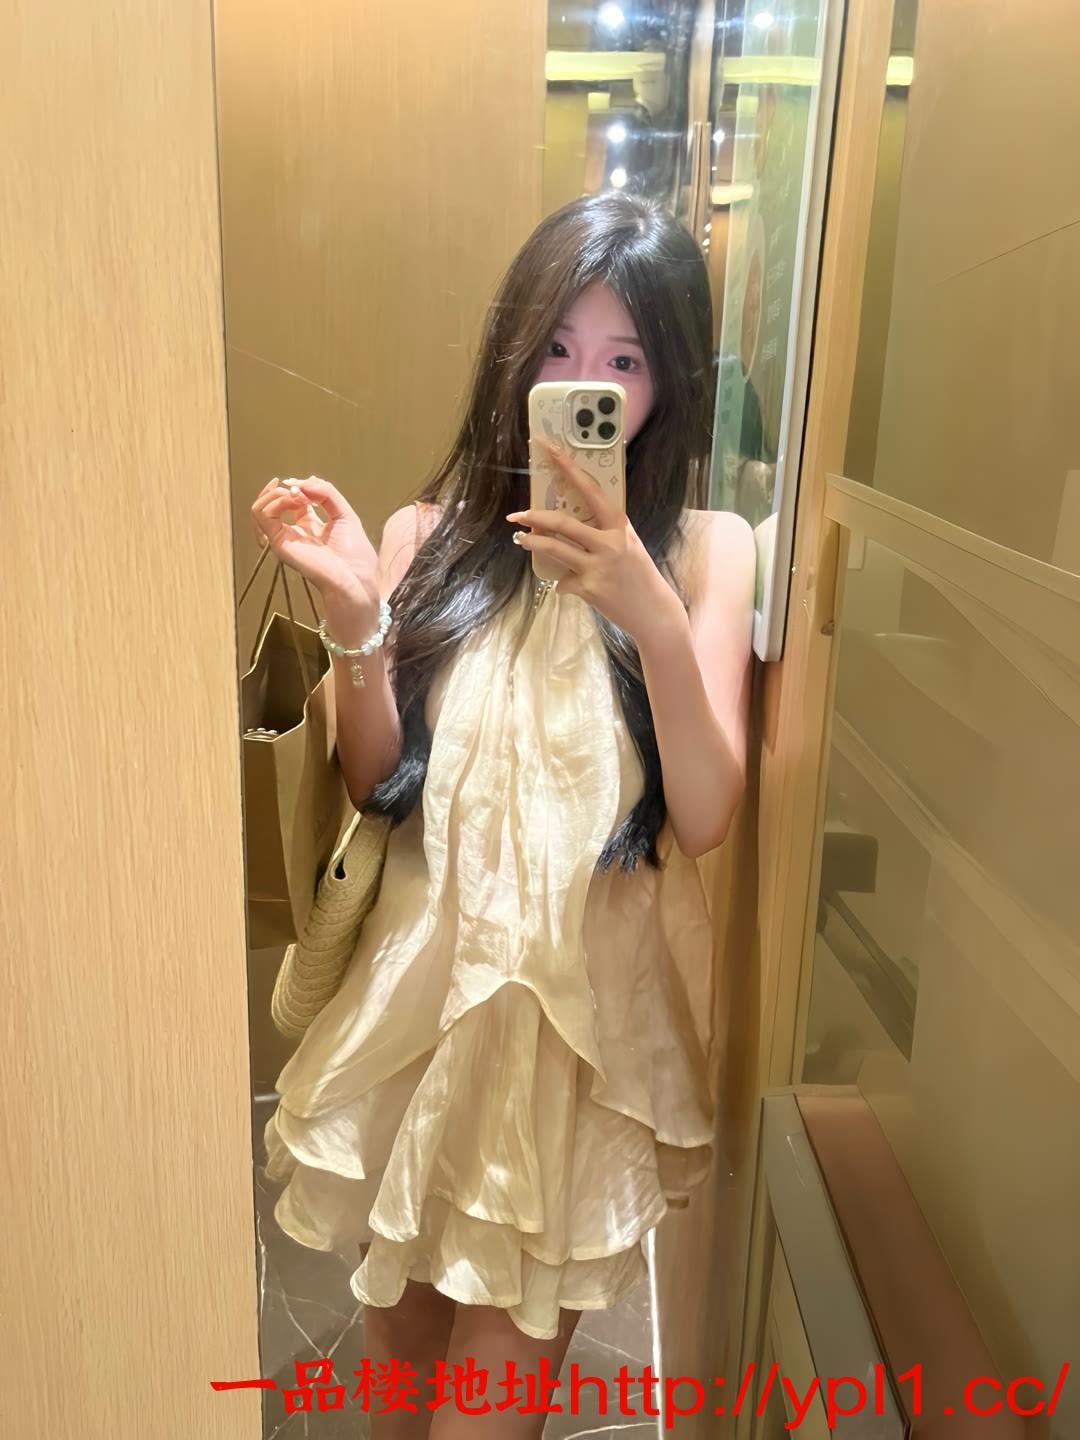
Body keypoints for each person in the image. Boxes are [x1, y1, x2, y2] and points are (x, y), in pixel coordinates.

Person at [251, 191, 755, 1439]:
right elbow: (378, 783)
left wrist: (646, 610)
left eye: (624, 360)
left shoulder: (707, 551)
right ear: (514, 358)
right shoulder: (430, 534)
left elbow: (704, 815)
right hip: (420, 1018)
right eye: (560, 349)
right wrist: (359, 619)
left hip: (572, 1058)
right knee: (398, 1395)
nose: (587, 383)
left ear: (670, 380)